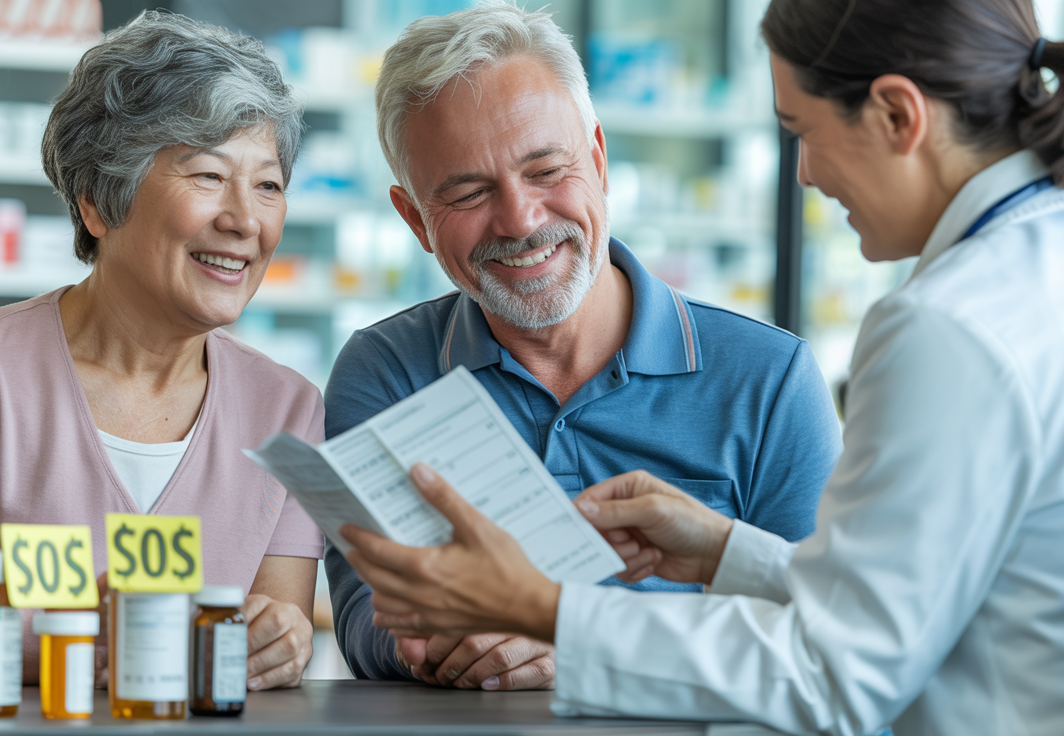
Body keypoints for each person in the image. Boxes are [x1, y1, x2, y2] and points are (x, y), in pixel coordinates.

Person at [340, 0, 1064, 732]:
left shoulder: (948, 325)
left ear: (897, 115)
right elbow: (891, 608)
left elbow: (834, 677)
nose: (804, 173)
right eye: (469, 192)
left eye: (802, 131)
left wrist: (547, 611)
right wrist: (726, 551)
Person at [323, 3, 843, 691]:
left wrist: (573, 633)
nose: (520, 220)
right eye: (470, 192)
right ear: (416, 219)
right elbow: (363, 615)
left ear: (597, 159)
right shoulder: (385, 372)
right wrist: (442, 635)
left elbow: (826, 641)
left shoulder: (771, 380)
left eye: (545, 170)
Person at [0, 11, 324, 690]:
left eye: (268, 185)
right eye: (207, 175)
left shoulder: (287, 410)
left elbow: (267, 629)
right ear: (98, 204)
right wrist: (143, 636)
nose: (245, 220)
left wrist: (278, 643)